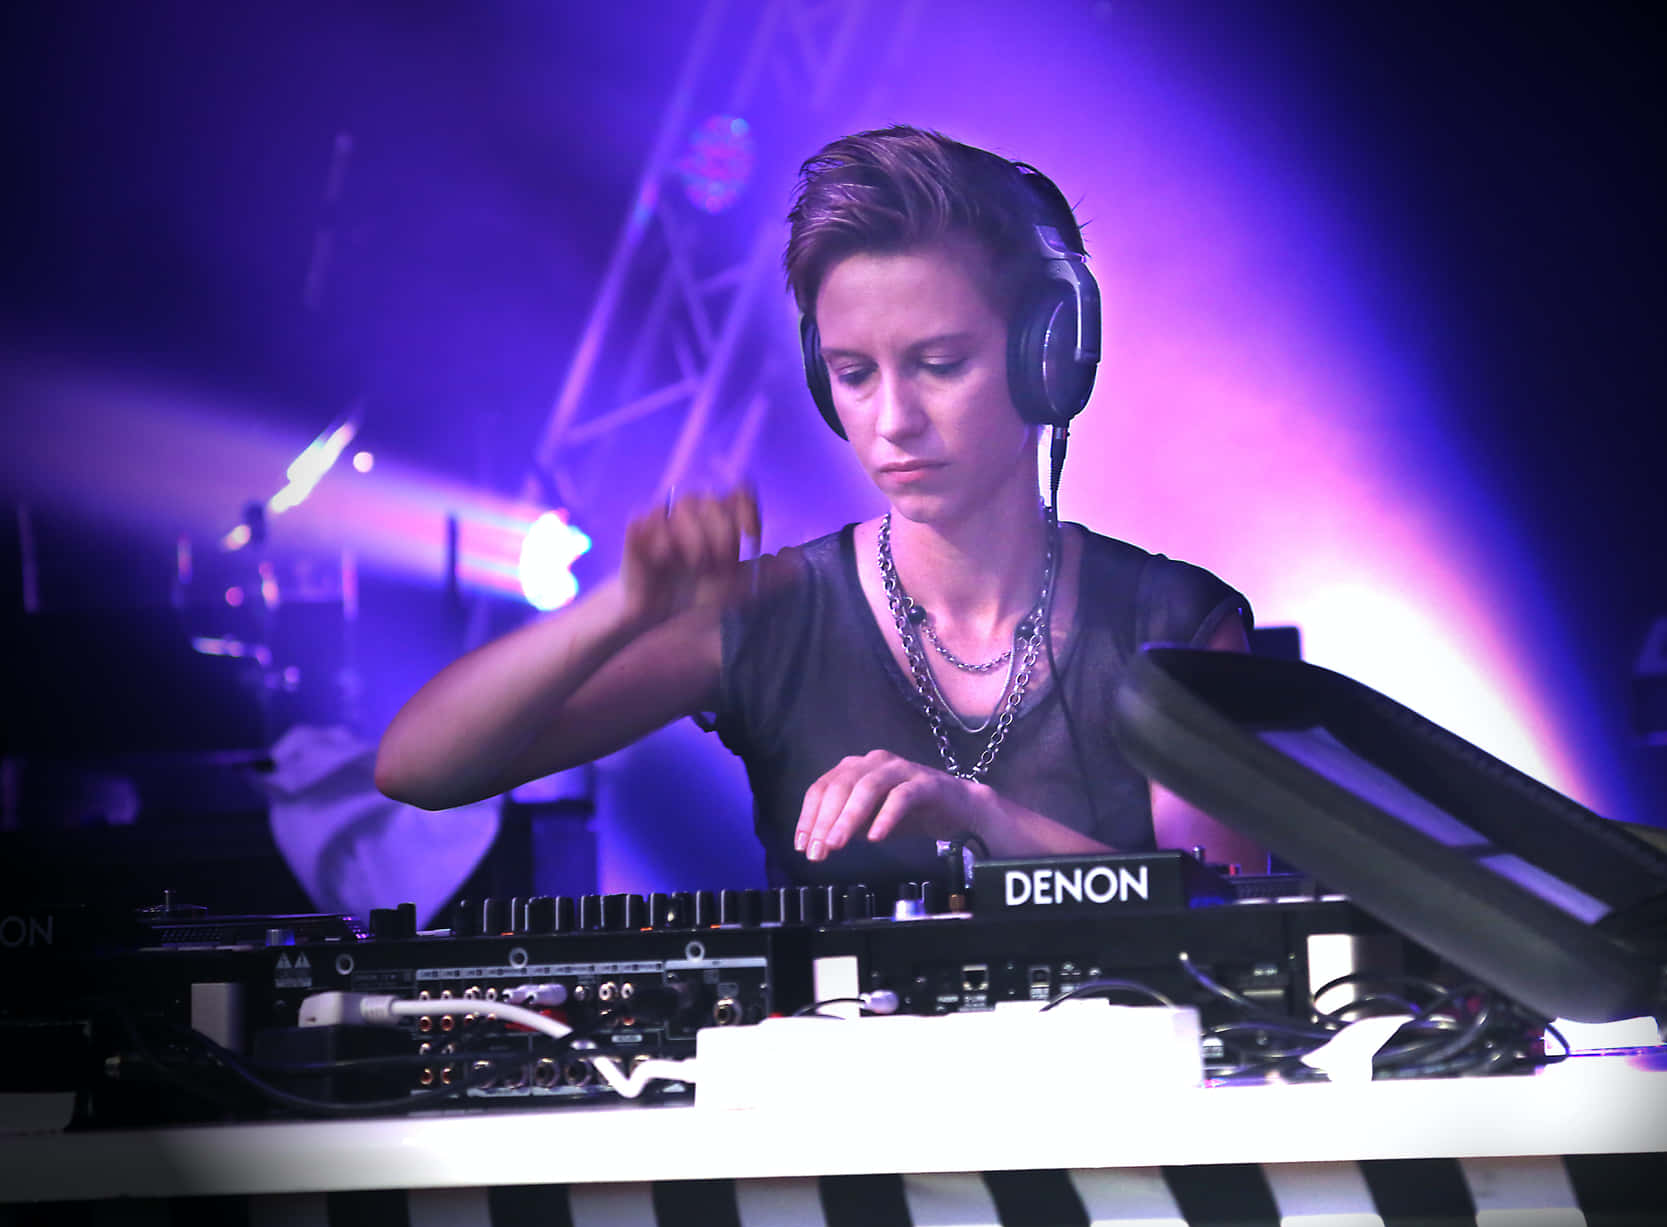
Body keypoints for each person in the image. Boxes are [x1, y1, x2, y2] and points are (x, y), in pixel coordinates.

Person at [375, 125, 1260, 887]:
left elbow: (1224, 915)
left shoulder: (1174, 624)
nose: (893, 421)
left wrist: (982, 819)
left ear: (1048, 357)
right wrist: (620, 610)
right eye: (854, 375)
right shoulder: (771, 612)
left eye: (941, 364)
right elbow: (419, 769)